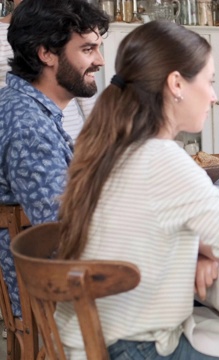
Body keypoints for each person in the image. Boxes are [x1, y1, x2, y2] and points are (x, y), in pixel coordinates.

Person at [56, 20, 219, 359]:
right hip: (135, 349)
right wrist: (206, 247)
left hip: (89, 343)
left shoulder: (108, 148)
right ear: (176, 83)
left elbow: (143, 235)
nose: (214, 97)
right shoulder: (163, 160)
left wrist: (196, 249)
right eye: (209, 82)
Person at [0, 0, 109, 321]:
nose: (100, 61)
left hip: (56, 292)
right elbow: (63, 238)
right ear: (46, 53)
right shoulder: (29, 126)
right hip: (58, 305)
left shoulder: (21, 105)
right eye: (88, 49)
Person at [0, 0, 96, 141]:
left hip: (73, 137)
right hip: (24, 138)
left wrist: (99, 133)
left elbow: (83, 84)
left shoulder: (61, 25)